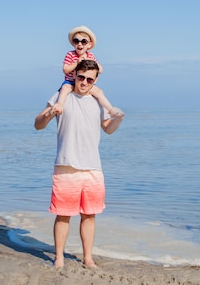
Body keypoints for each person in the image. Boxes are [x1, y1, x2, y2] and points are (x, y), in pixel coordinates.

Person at [34, 59, 125, 268]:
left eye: (89, 79)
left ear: (95, 80)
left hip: (93, 168)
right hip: (66, 167)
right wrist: (49, 114)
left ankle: (88, 258)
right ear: (74, 74)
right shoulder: (61, 96)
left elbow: (108, 129)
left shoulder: (97, 101)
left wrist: (118, 119)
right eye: (81, 77)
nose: (84, 82)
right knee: (63, 215)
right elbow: (37, 125)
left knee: (89, 215)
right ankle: (58, 258)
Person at [51, 25, 123, 118]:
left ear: (89, 45)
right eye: (76, 41)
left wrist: (92, 61)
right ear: (73, 43)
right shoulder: (70, 54)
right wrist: (76, 62)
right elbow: (65, 69)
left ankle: (111, 110)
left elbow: (100, 70)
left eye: (83, 41)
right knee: (65, 89)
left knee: (99, 92)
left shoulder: (90, 55)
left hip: (85, 81)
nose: (79, 44)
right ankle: (59, 105)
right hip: (71, 81)